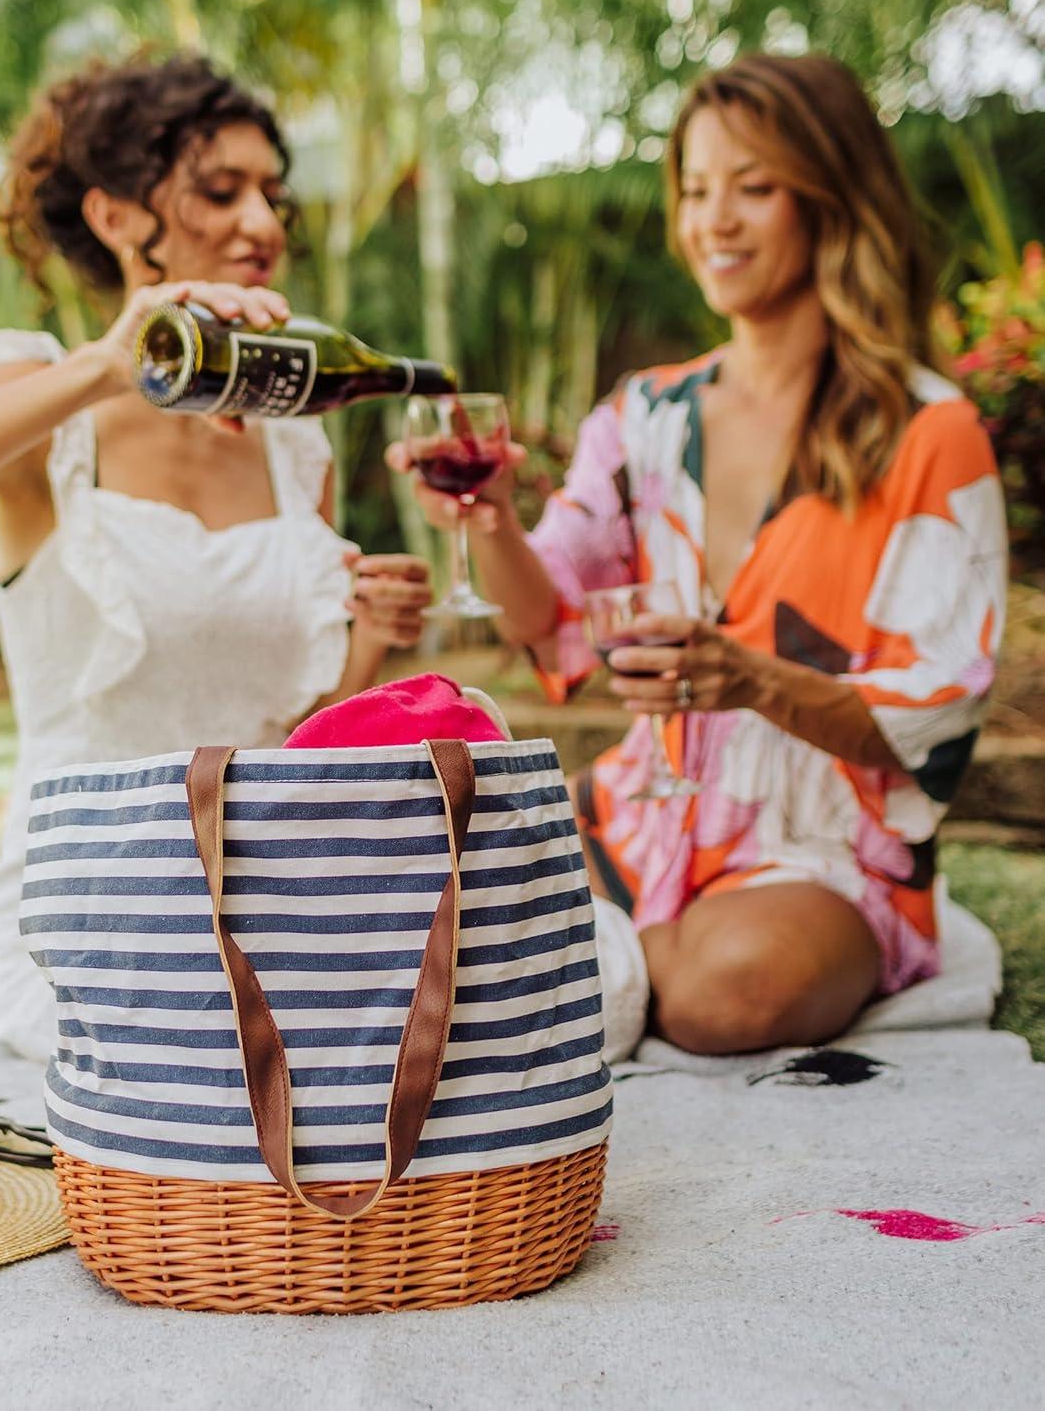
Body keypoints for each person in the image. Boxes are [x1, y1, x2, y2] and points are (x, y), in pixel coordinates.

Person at [0, 52, 431, 1061]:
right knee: (223, 1049)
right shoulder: (42, 398)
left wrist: (374, 646)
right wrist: (107, 366)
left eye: (273, 193)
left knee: (526, 999)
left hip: (275, 880)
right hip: (102, 892)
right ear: (114, 217)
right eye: (220, 192)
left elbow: (293, 728)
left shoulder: (292, 442)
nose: (264, 224)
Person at [392, 52, 1008, 1056]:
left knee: (729, 997)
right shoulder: (645, 414)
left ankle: (613, 969)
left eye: (754, 189)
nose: (713, 221)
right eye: (694, 190)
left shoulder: (927, 432)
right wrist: (493, 518)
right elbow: (548, 621)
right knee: (405, 889)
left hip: (825, 837)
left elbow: (939, 712)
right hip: (642, 805)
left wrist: (752, 680)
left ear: (830, 200)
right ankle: (633, 962)